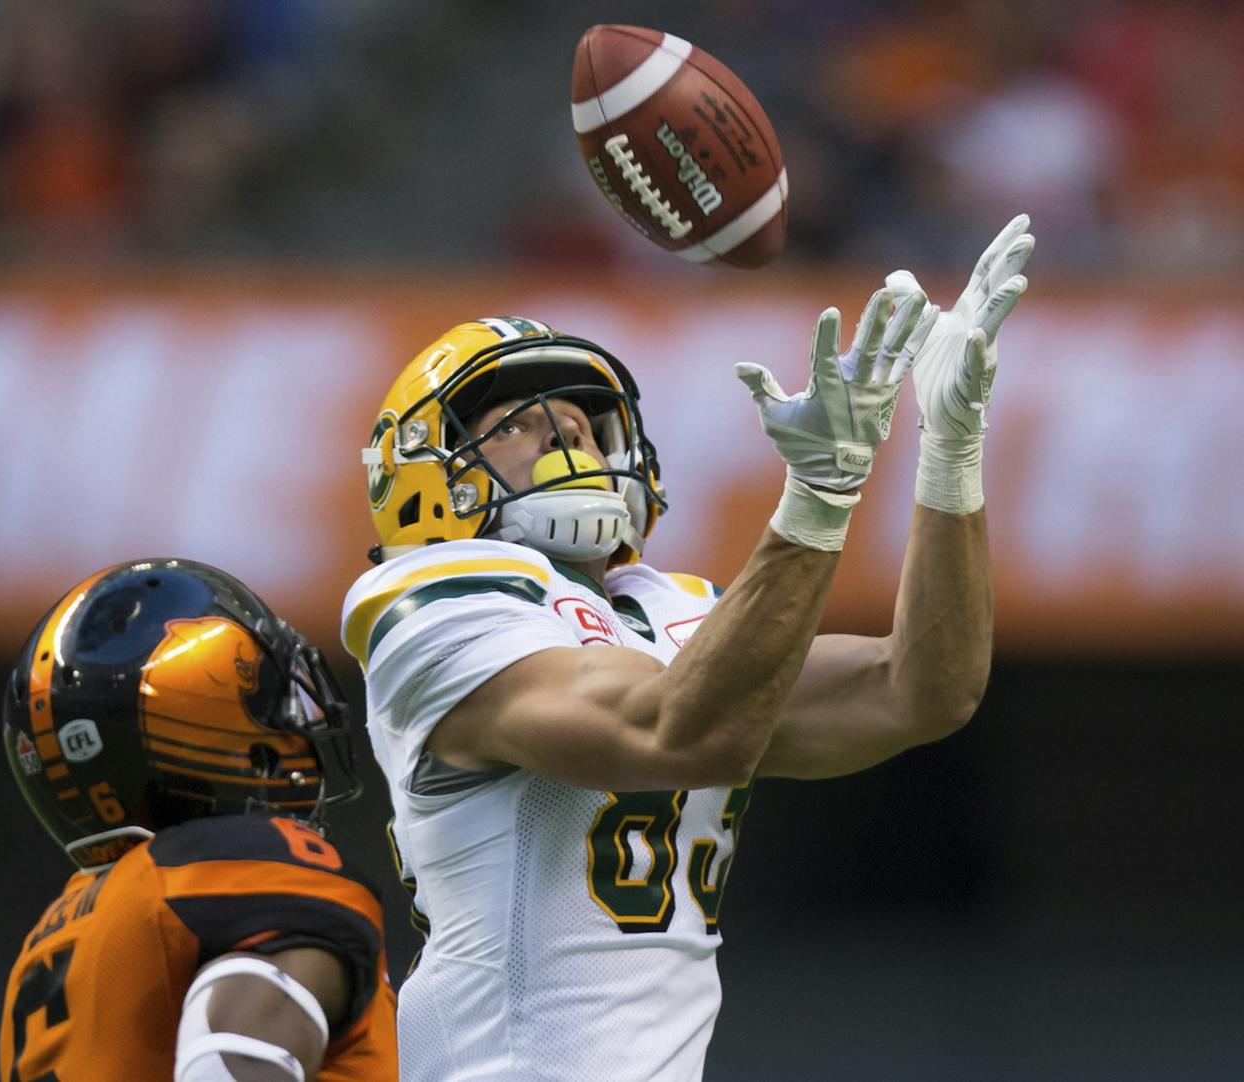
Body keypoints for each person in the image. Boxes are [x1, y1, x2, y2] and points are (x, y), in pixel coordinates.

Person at [342, 217, 1033, 1081]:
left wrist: (950, 451)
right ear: (424, 466)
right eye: (525, 424)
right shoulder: (433, 601)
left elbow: (921, 688)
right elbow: (675, 731)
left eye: (587, 426)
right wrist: (818, 495)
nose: (572, 441)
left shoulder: (676, 612)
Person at [0, 557, 398, 1082]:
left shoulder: (56, 933)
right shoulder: (253, 865)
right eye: (266, 694)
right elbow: (232, 1063)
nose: (302, 715)